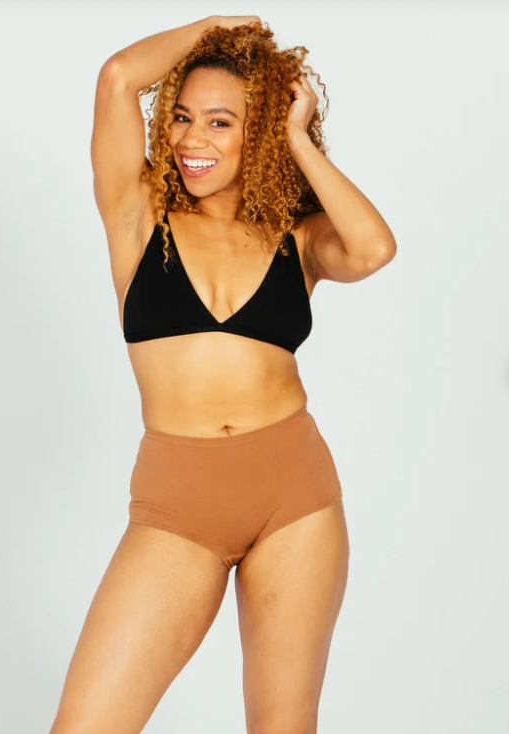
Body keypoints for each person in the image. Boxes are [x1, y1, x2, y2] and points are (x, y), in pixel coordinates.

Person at [50, 15, 396, 734]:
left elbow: (373, 249)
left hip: (295, 498)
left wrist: (297, 138)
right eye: (181, 117)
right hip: (179, 505)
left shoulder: (296, 238)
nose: (191, 140)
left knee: (283, 725)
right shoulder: (138, 214)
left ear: (257, 132)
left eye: (219, 122)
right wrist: (213, 28)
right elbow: (118, 77)